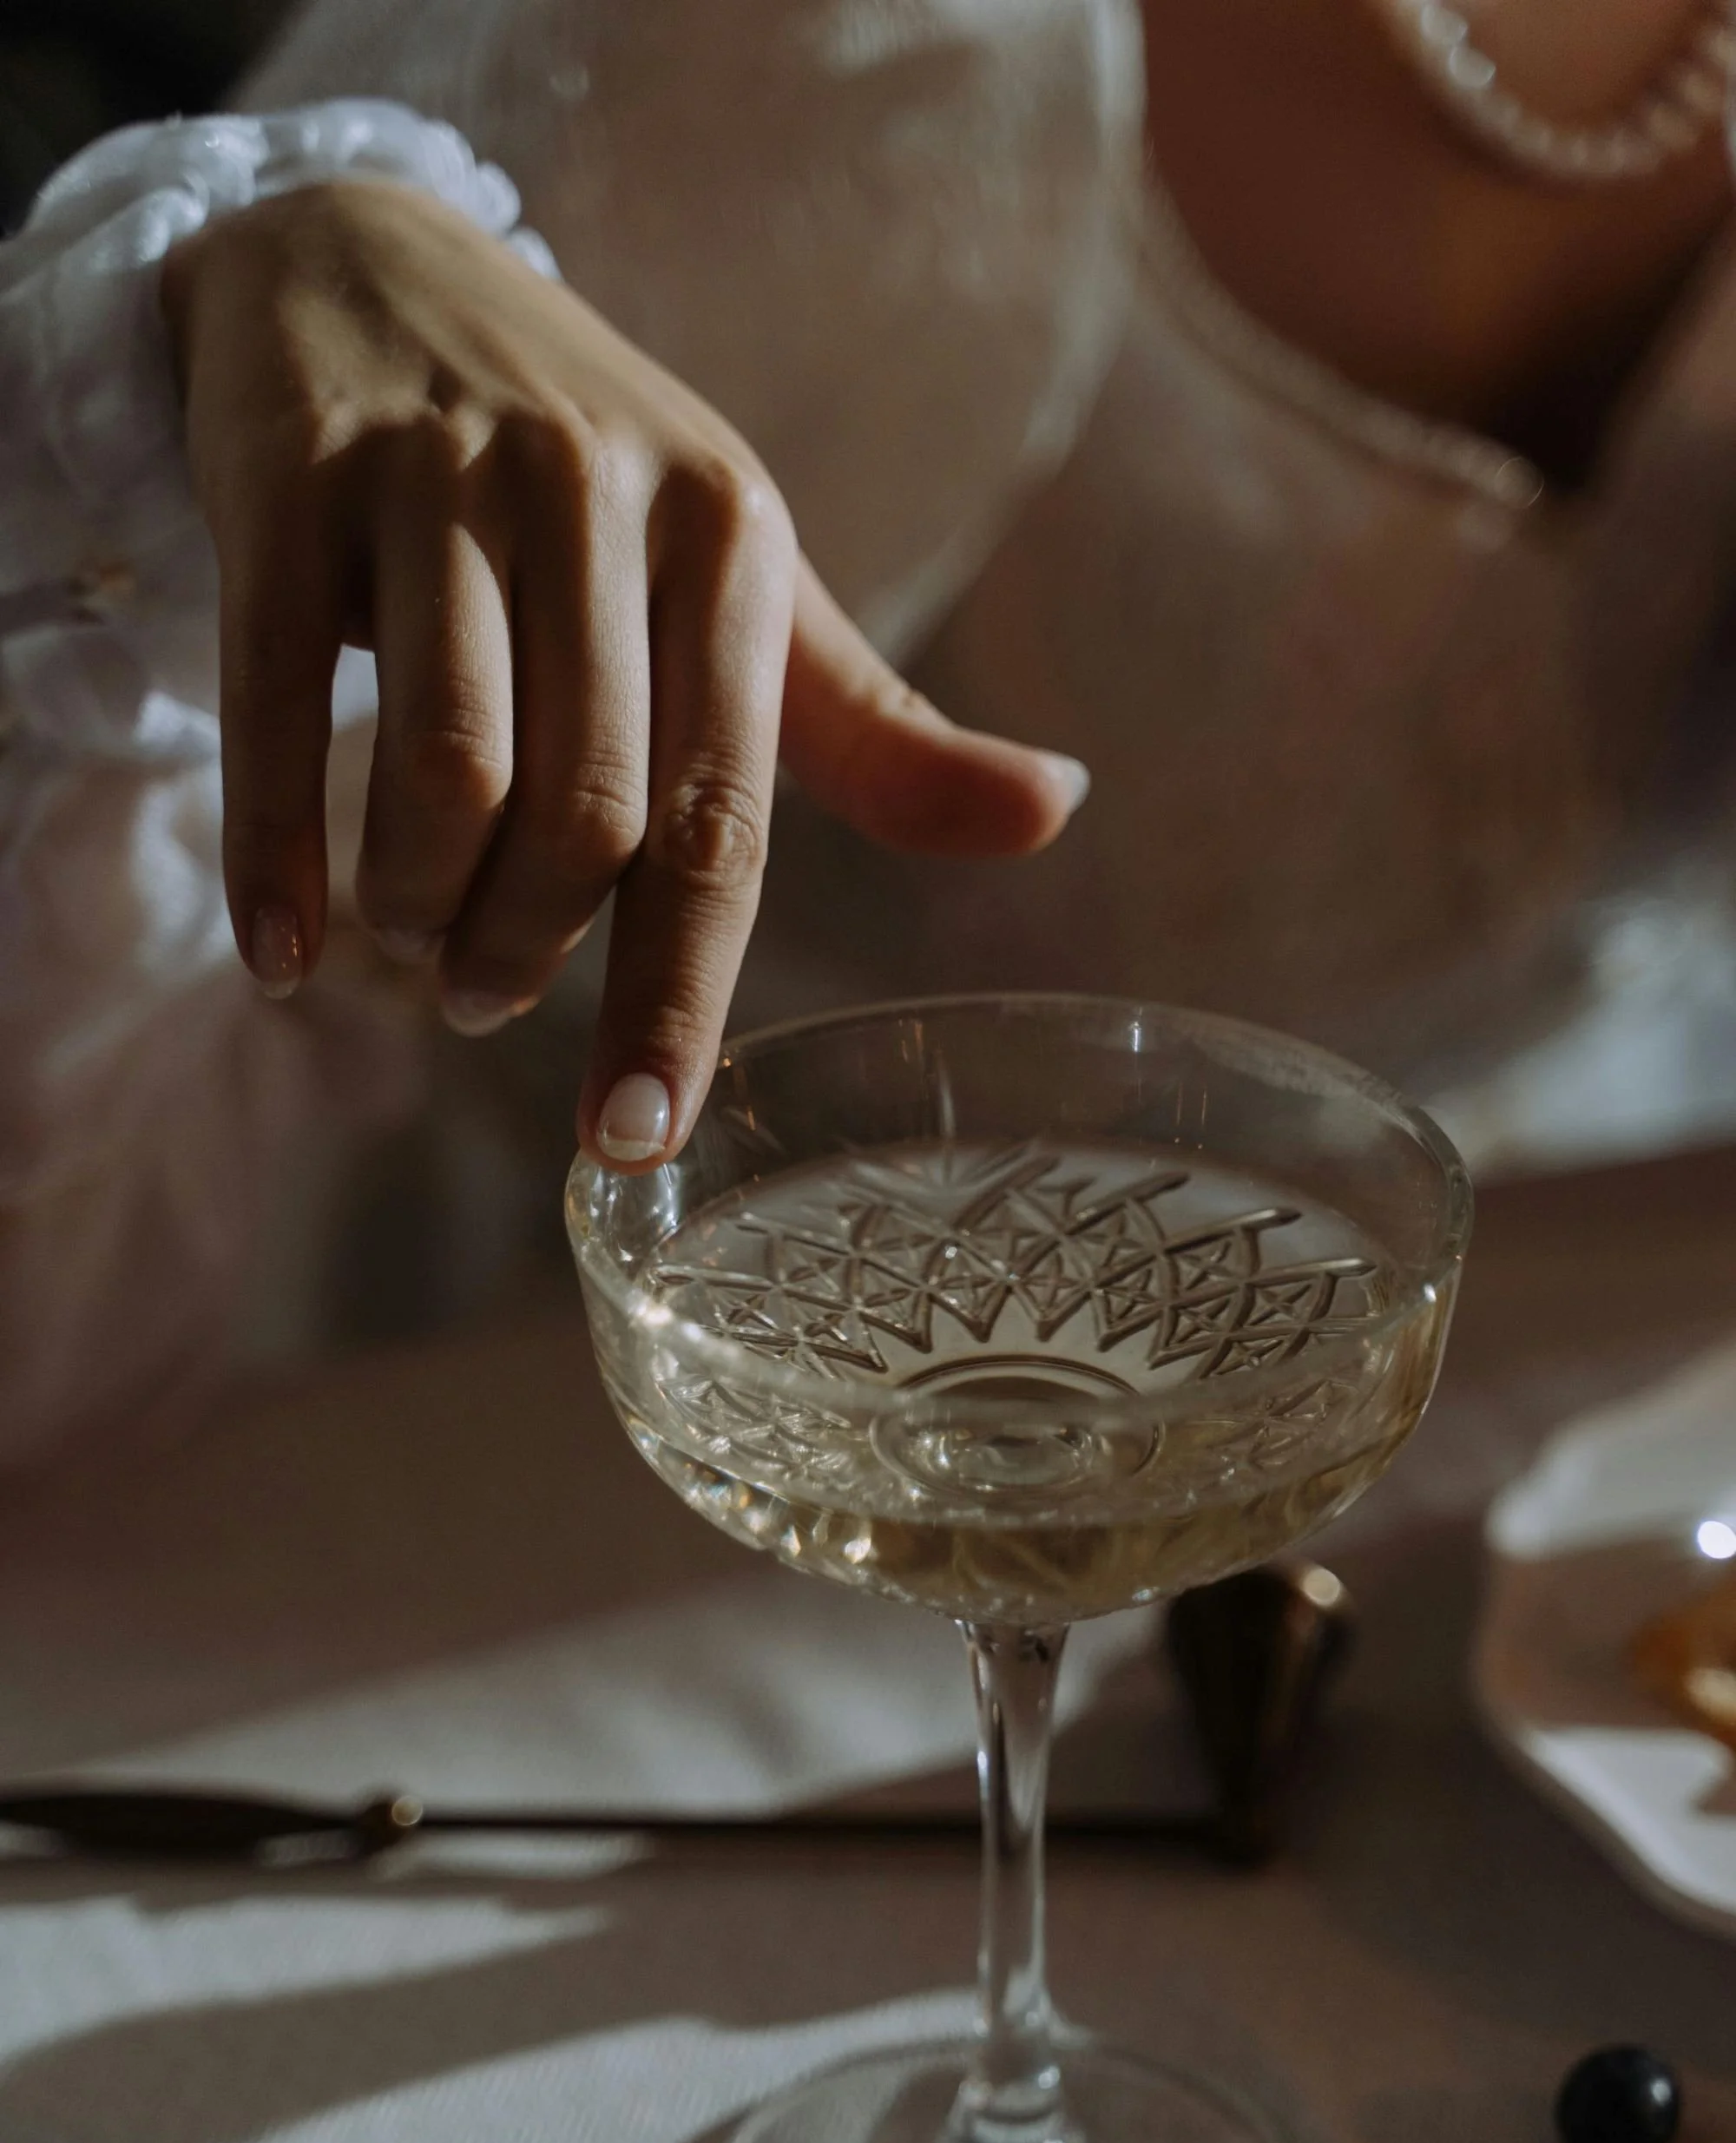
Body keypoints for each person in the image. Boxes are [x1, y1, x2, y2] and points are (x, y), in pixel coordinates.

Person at [3, 0, 1733, 1463]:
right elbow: (121, 1133)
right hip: (584, 1499)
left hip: (1534, 1460)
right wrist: (158, 405)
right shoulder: (800, 59)